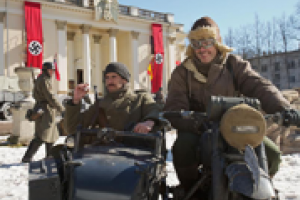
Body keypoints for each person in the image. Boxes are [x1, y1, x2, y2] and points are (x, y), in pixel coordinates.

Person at [164, 16, 292, 197]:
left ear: (217, 42)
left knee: (272, 153)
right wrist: (192, 121)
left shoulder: (234, 65)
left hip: (234, 127)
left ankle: (260, 186)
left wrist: (284, 108)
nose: (202, 49)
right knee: (183, 147)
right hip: (199, 129)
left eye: (207, 42)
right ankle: (191, 190)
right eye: (196, 43)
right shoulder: (182, 72)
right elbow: (175, 105)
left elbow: (259, 85)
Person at [64, 62, 161, 146]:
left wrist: (149, 122)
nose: (109, 81)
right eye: (107, 78)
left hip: (135, 154)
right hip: (105, 154)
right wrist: (75, 101)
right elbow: (72, 128)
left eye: (114, 77)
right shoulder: (100, 104)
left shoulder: (141, 98)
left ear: (124, 80)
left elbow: (154, 110)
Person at [22, 62, 64, 163]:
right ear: (45, 70)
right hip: (45, 109)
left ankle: (49, 157)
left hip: (46, 109)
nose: (52, 72)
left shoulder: (43, 79)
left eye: (53, 70)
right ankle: (28, 157)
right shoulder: (44, 80)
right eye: (50, 70)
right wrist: (61, 108)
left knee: (51, 135)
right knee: (42, 136)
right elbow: (50, 96)